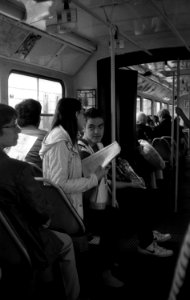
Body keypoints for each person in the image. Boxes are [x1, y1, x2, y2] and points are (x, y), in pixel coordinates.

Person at [39, 98, 124, 288]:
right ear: (76, 114)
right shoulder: (60, 142)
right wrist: (94, 178)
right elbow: (58, 183)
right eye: (82, 114)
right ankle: (104, 271)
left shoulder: (66, 139)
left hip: (73, 200)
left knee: (113, 216)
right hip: (65, 208)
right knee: (109, 222)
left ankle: (106, 263)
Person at [0, 103, 80, 300]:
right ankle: (72, 294)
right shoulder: (20, 170)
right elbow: (42, 214)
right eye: (12, 125)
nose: (19, 129)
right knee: (67, 241)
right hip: (20, 239)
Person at [78, 107, 173, 257]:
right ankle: (147, 242)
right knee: (137, 199)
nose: (97, 131)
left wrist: (130, 184)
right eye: (91, 127)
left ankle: (147, 235)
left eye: (100, 127)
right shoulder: (83, 151)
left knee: (141, 192)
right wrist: (123, 189)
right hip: (92, 201)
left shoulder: (100, 146)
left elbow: (107, 181)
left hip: (104, 193)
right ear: (83, 127)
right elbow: (93, 184)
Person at [15, 99, 47, 170]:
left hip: (13, 176)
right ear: (38, 118)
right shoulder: (46, 136)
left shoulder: (13, 135)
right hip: (37, 178)